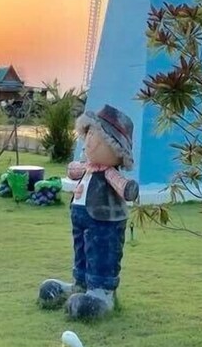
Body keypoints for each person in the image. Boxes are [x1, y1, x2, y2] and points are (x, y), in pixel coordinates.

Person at [38, 104, 139, 319]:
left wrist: (129, 189)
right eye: (89, 134)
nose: (89, 142)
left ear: (115, 148)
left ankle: (102, 290)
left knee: (101, 249)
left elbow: (121, 185)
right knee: (81, 248)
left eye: (96, 137)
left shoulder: (109, 172)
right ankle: (81, 283)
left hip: (104, 219)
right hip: (82, 217)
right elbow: (73, 171)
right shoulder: (88, 167)